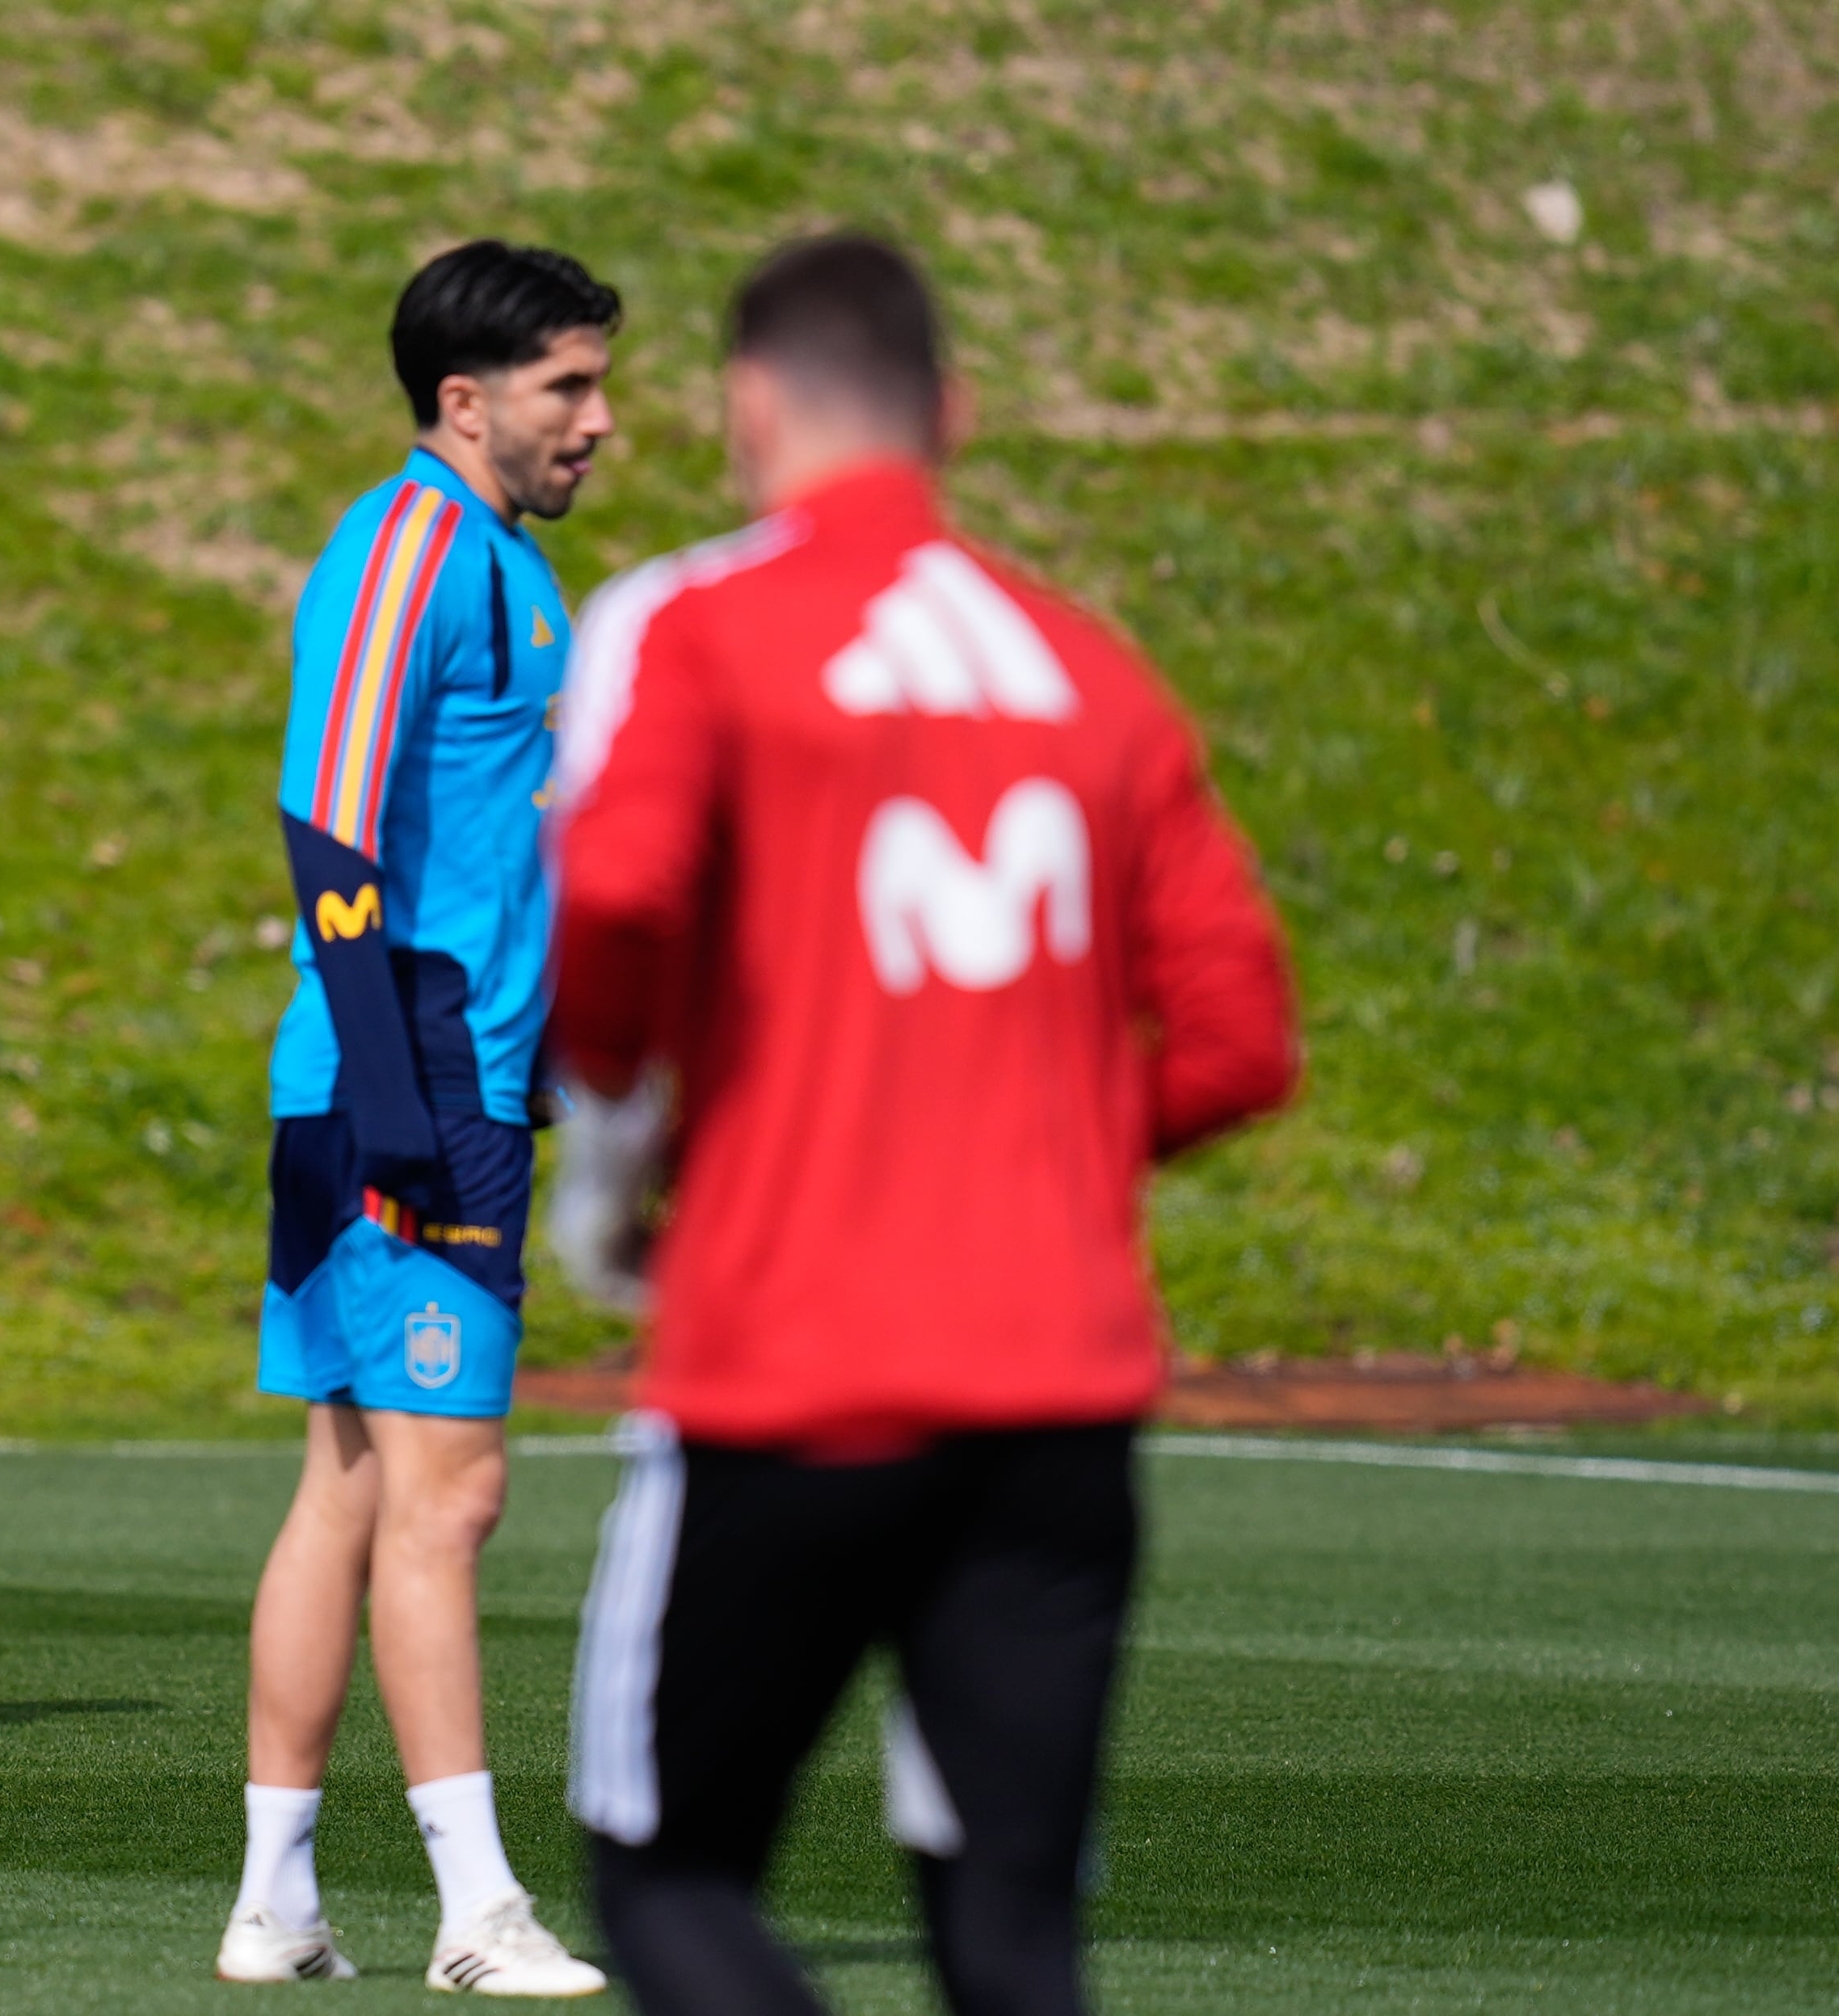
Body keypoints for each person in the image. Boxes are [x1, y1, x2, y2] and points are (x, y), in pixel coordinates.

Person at [548, 234, 1299, 2016]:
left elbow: (609, 904)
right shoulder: (1090, 666)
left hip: (789, 1360)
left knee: (664, 1875)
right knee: (1013, 1934)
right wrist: (1025, 1149)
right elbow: (1241, 1034)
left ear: (744, 409)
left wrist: (633, 1150)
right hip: (1052, 1389)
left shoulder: (693, 620)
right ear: (951, 416)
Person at [217, 241, 617, 1997]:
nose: (598, 423)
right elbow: (331, 828)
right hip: (408, 1092)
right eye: (567, 389)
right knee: (447, 1499)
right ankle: (474, 1911)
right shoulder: (412, 547)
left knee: (354, 1482)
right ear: (464, 401)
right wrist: (400, 1103)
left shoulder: (512, 566)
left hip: (446, 1083)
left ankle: (277, 1904)